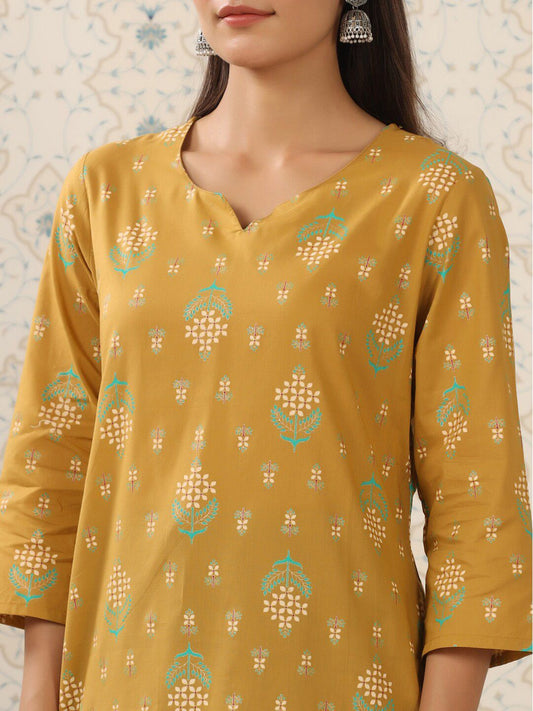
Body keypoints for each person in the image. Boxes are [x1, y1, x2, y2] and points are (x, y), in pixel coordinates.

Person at [0, 1, 531, 709]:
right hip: (121, 680)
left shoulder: (433, 198)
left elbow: (477, 500)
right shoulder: (107, 191)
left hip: (345, 681)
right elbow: (51, 465)